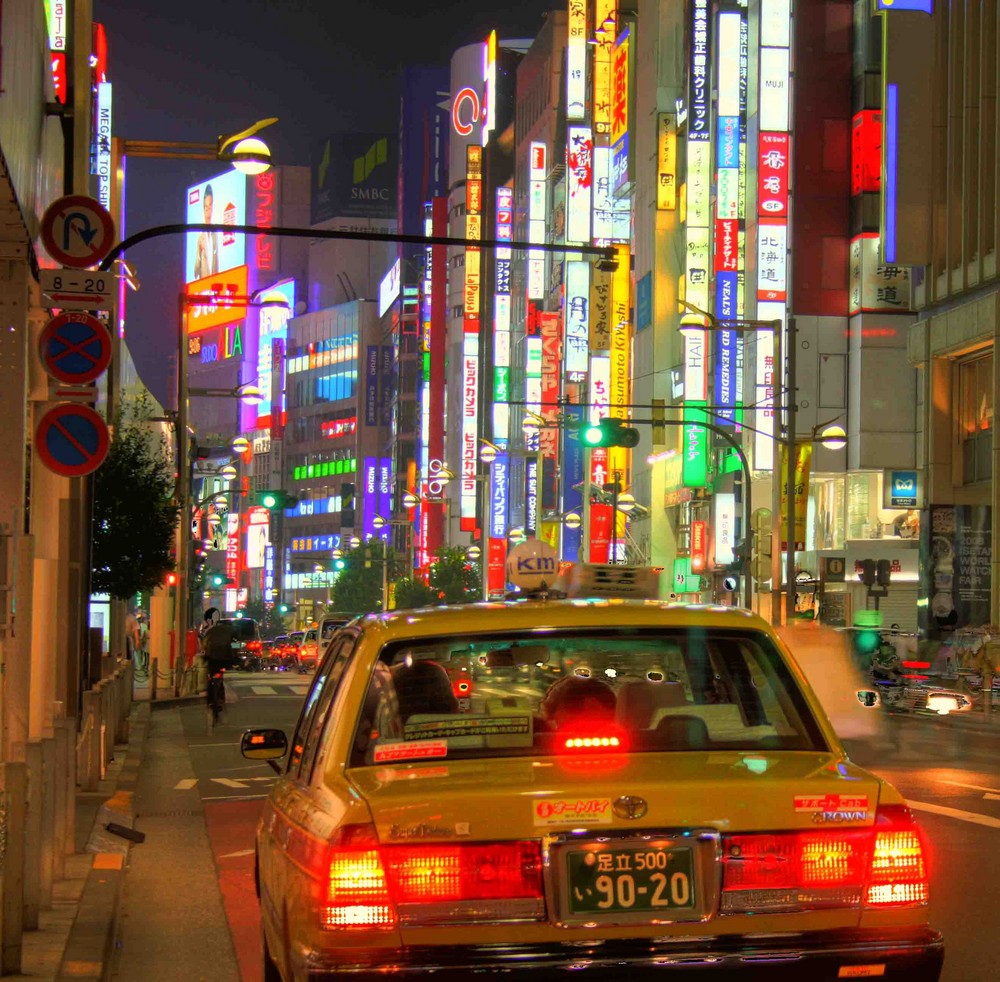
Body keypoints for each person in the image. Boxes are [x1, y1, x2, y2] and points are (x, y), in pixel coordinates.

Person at [193, 183, 218, 279]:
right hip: (203, 285)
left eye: (210, 206)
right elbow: (196, 271)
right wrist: (199, 250)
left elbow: (216, 261)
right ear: (203, 209)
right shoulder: (200, 236)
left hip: (215, 285)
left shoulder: (215, 234)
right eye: (206, 207)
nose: (208, 210)